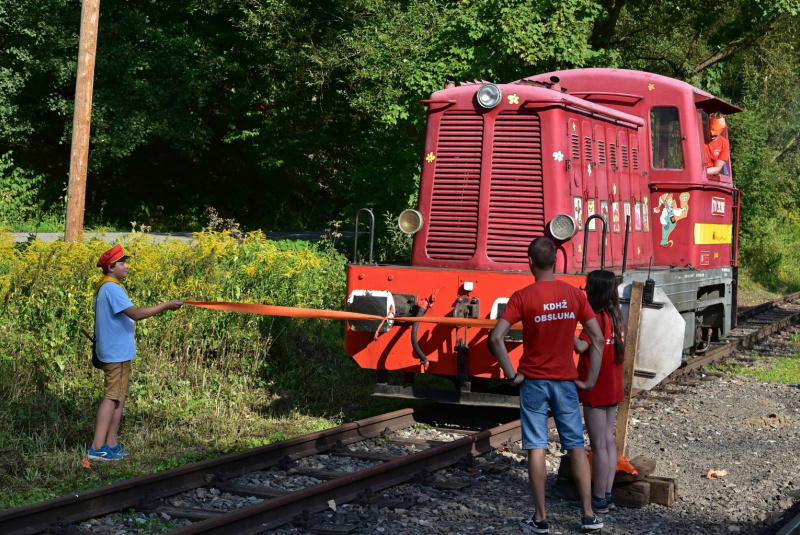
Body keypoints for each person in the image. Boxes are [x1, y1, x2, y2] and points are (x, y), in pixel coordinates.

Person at [489, 237, 605, 534]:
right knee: (576, 448)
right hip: (566, 384)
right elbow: (597, 338)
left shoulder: (522, 296)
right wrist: (589, 380)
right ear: (556, 261)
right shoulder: (574, 295)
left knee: (537, 448)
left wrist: (511, 373)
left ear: (530, 262)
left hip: (533, 384)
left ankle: (540, 519)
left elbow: (495, 338)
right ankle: (589, 516)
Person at [88, 244, 183, 461]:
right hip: (116, 352)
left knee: (119, 397)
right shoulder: (111, 288)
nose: (126, 266)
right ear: (111, 267)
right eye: (122, 263)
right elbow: (136, 314)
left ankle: (111, 443)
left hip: (118, 352)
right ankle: (96, 448)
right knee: (112, 397)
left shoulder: (108, 286)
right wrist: (166, 305)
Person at [573, 270, 626, 514]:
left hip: (596, 387)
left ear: (595, 291)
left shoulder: (595, 318)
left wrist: (563, 328)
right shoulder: (616, 317)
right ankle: (607, 495)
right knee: (608, 442)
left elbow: (582, 345)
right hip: (613, 386)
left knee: (598, 446)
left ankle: (597, 498)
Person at [705, 112, 730, 176]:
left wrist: (702, 172)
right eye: (711, 133)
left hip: (708, 176)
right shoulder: (698, 137)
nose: (712, 136)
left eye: (715, 135)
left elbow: (717, 168)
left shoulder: (724, 143)